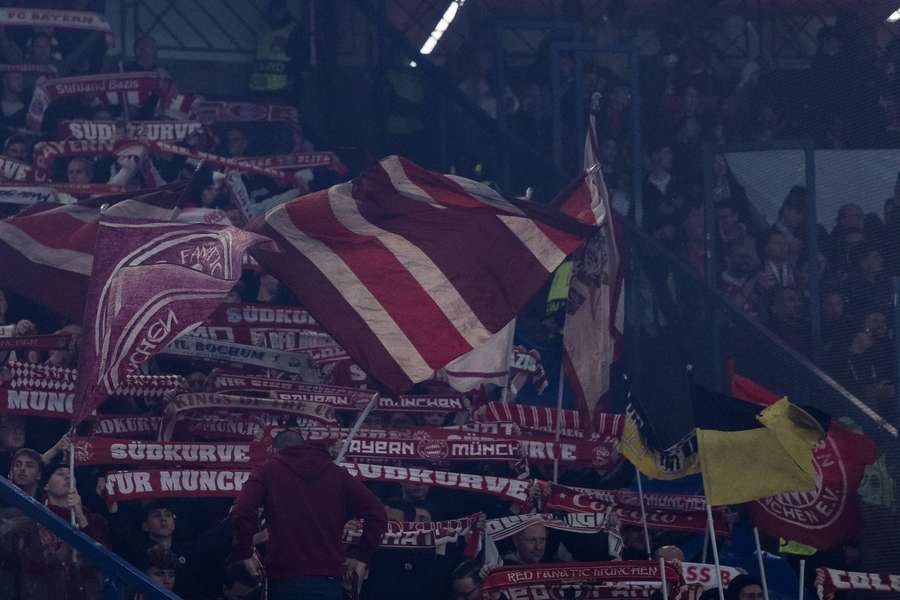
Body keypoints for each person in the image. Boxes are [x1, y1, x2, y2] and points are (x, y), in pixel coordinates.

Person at [231, 429, 387, 600]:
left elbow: (242, 511)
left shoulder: (266, 471)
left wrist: (245, 551)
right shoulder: (337, 474)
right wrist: (362, 559)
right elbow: (377, 513)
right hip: (328, 580)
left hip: (283, 579)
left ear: (275, 451)